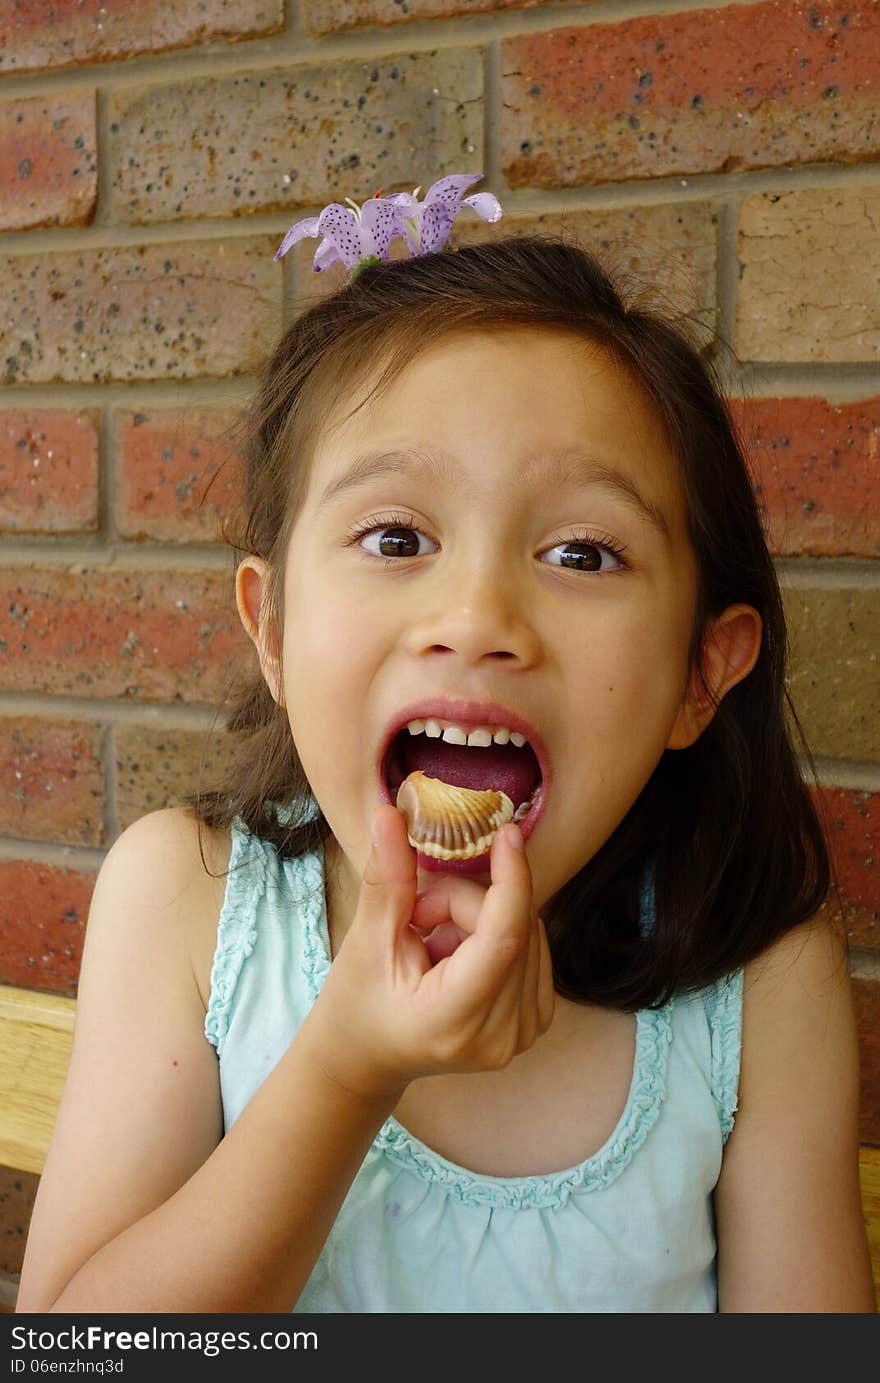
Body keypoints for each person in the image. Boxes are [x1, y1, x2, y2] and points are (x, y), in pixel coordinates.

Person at [16, 174, 876, 1314]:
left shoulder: (760, 989)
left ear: (698, 675)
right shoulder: (186, 901)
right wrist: (345, 1067)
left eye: (580, 554)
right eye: (394, 535)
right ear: (271, 633)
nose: (475, 617)